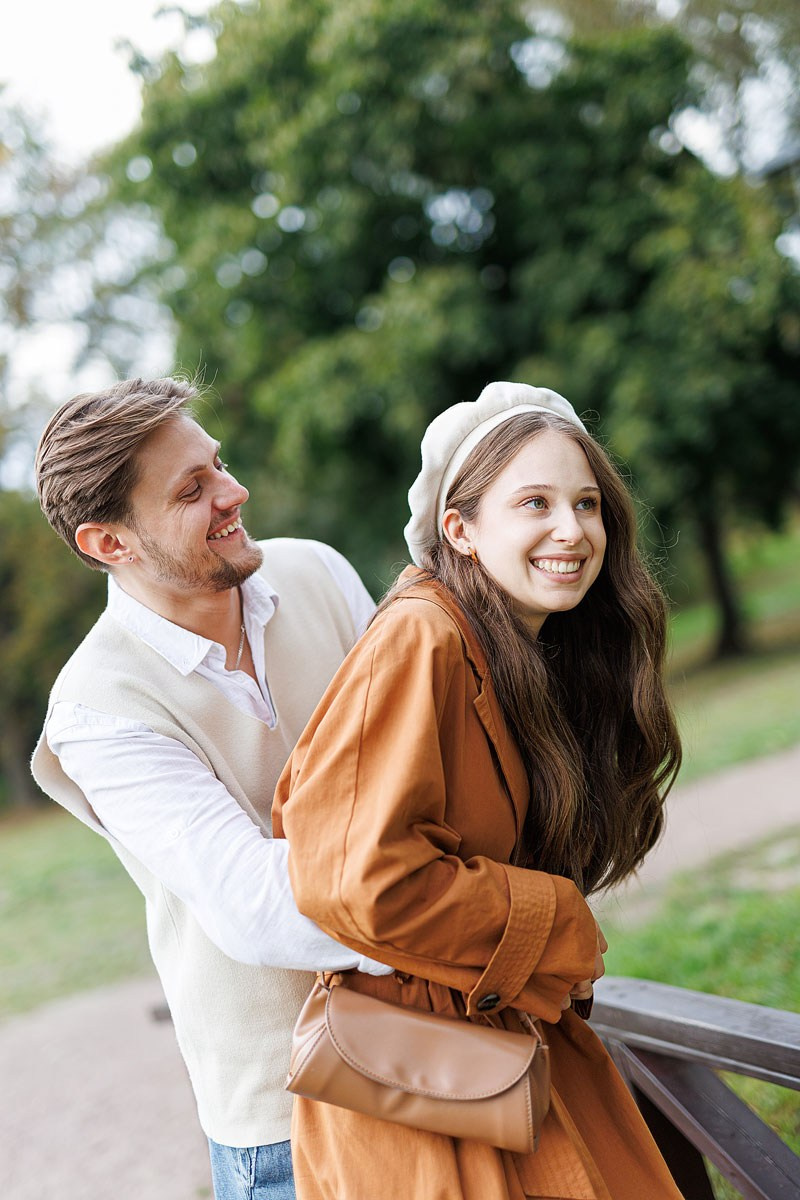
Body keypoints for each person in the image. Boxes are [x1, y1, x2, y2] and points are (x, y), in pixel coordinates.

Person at [273, 381, 685, 1199]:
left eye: (588, 503)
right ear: (459, 529)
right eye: (534, 503)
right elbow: (355, 876)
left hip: (509, 1039)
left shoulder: (529, 650)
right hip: (426, 1076)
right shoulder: (422, 636)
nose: (572, 530)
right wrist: (555, 919)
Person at [30, 376, 392, 1200]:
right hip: (287, 1119)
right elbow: (259, 906)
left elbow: (435, 763)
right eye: (192, 491)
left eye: (217, 465)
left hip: (447, 1037)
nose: (234, 493)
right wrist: (477, 915)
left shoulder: (319, 574)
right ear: (107, 544)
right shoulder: (97, 710)